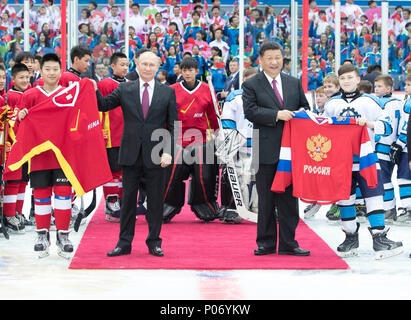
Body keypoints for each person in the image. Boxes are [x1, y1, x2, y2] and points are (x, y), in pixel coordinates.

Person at [95, 51, 178, 257]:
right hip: (130, 154)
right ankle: (124, 244)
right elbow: (103, 105)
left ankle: (154, 242)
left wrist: (168, 152)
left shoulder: (167, 92)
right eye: (144, 64)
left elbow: (173, 125)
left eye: (152, 64)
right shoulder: (125, 88)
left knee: (156, 203)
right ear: (137, 65)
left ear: (158, 66)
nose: (148, 68)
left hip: (157, 156)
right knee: (128, 202)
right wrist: (91, 85)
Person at [324, 63, 403, 259]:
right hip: (342, 162)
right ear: (339, 81)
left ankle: (379, 238)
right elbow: (322, 128)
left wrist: (368, 124)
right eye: (342, 78)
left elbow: (386, 127)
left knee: (373, 196)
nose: (346, 81)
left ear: (358, 80)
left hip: (367, 158)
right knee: (345, 198)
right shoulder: (333, 104)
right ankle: (350, 237)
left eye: (350, 77)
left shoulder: (370, 101)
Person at [242, 42, 311, 256]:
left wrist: (300, 112)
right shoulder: (252, 84)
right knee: (267, 199)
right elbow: (250, 111)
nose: (274, 62)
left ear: (283, 59)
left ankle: (289, 243)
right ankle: (266, 243)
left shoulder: (293, 82)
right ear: (261, 60)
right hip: (266, 149)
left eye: (278, 58)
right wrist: (276, 115)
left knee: (290, 199)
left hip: (292, 151)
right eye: (269, 58)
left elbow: (305, 108)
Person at [17, 54, 75, 259]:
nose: (51, 73)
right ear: (41, 71)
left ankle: (63, 235)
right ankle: (42, 235)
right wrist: (21, 117)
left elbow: (77, 120)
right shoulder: (31, 95)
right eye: (47, 69)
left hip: (62, 156)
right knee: (41, 194)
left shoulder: (68, 94)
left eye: (55, 69)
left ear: (61, 71)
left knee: (63, 193)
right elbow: (20, 126)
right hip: (39, 155)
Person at [162, 57, 220, 223]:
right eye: (184, 70)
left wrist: (217, 133)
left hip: (200, 138)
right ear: (180, 71)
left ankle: (203, 204)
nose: (187, 73)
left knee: (205, 175)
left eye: (191, 70)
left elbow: (212, 115)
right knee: (172, 174)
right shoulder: (171, 89)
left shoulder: (207, 89)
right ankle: (168, 205)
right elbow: (165, 115)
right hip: (177, 138)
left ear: (197, 71)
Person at [97, 52, 129, 223]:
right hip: (111, 135)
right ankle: (111, 203)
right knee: (113, 173)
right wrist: (100, 131)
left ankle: (123, 205)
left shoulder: (132, 84)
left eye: (127, 65)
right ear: (113, 66)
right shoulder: (105, 84)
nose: (125, 67)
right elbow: (99, 108)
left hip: (128, 136)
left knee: (125, 173)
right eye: (121, 64)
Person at [2, 63, 32, 233]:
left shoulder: (27, 93)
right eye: (21, 78)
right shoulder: (12, 96)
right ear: (12, 79)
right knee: (14, 179)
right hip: (15, 144)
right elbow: (11, 120)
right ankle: (9, 213)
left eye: (27, 77)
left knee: (23, 180)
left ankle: (18, 212)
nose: (25, 80)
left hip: (26, 144)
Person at [373, 74, 403, 224]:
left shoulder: (382, 103)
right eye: (375, 86)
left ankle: (389, 208)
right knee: (385, 178)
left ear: (389, 88)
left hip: (383, 145)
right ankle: (388, 207)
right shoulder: (398, 103)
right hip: (393, 145)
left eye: (379, 86)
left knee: (383, 178)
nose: (376, 89)